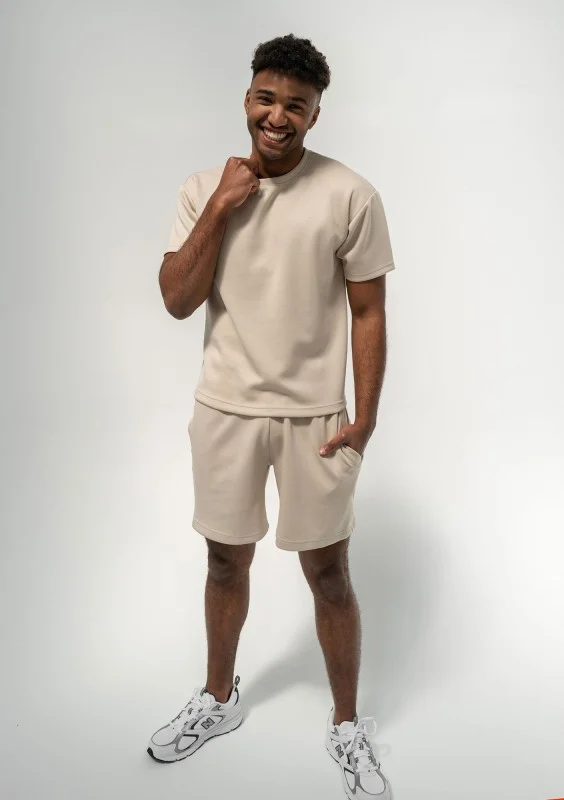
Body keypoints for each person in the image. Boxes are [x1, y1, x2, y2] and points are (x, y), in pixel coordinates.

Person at [148, 33, 395, 800]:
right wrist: (224, 204)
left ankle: (347, 724)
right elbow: (177, 298)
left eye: (296, 104)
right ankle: (218, 698)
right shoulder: (203, 188)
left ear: (316, 114)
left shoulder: (350, 194)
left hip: (315, 418)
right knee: (225, 562)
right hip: (224, 408)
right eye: (266, 98)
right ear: (247, 99)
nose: (277, 116)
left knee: (329, 574)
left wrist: (364, 418)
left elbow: (369, 310)